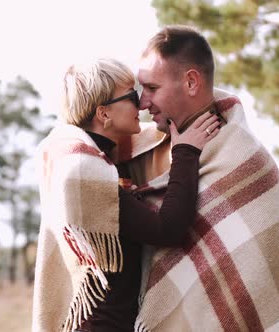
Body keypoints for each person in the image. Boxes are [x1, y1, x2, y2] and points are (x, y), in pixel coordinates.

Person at [120, 25, 279, 331]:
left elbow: (255, 285)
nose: (142, 103)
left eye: (152, 88)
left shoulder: (249, 165)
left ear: (191, 81)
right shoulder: (137, 149)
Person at [32, 58, 221, 332]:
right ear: (104, 114)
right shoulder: (85, 172)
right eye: (132, 96)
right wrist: (185, 152)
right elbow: (167, 230)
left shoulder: (102, 162)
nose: (143, 104)